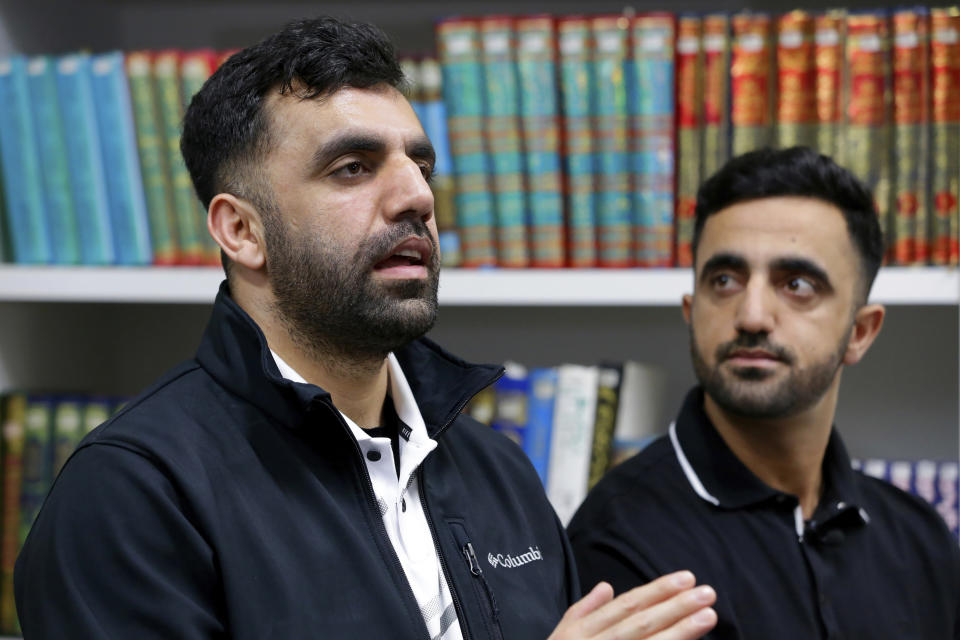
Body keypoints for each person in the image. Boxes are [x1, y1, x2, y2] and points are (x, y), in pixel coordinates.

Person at [14, 16, 718, 640]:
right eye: (352, 168)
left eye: (420, 164)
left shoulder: (497, 472)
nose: (415, 196)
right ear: (240, 229)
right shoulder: (132, 498)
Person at [567, 146, 960, 639]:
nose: (752, 316)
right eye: (725, 280)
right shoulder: (618, 543)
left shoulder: (922, 541)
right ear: (692, 311)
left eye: (796, 283)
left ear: (860, 332)